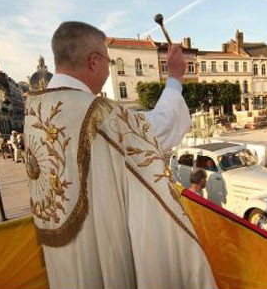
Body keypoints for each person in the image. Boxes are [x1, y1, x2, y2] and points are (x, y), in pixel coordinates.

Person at [24, 21, 217, 289]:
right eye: (109, 60)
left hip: (63, 262)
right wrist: (174, 79)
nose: (108, 67)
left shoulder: (34, 110)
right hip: (104, 255)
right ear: (93, 61)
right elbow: (156, 131)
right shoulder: (95, 112)